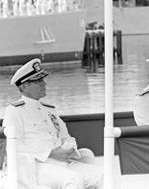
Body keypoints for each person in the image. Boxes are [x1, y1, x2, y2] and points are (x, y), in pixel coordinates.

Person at [2, 58, 103, 189]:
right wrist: (50, 153)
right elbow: (14, 147)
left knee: (102, 175)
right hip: (37, 167)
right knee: (74, 179)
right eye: (38, 81)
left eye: (43, 80)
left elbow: (67, 137)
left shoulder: (50, 110)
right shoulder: (14, 111)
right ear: (24, 86)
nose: (44, 84)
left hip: (63, 162)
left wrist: (69, 149)